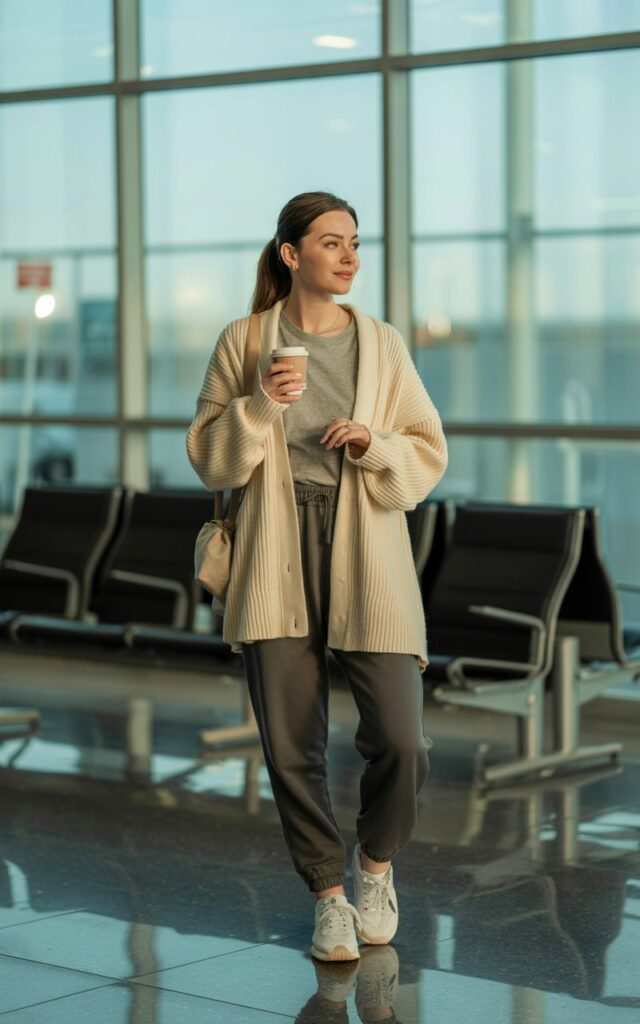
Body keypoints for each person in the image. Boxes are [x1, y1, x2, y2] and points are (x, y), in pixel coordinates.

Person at [186, 191, 448, 962]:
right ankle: (328, 896)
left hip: (367, 544)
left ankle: (375, 868)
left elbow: (427, 450)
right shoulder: (244, 340)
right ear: (292, 254)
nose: (349, 257)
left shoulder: (384, 344)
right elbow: (207, 453)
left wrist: (373, 444)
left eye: (355, 244)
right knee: (291, 746)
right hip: (274, 548)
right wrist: (260, 403)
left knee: (404, 739)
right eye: (331, 243)